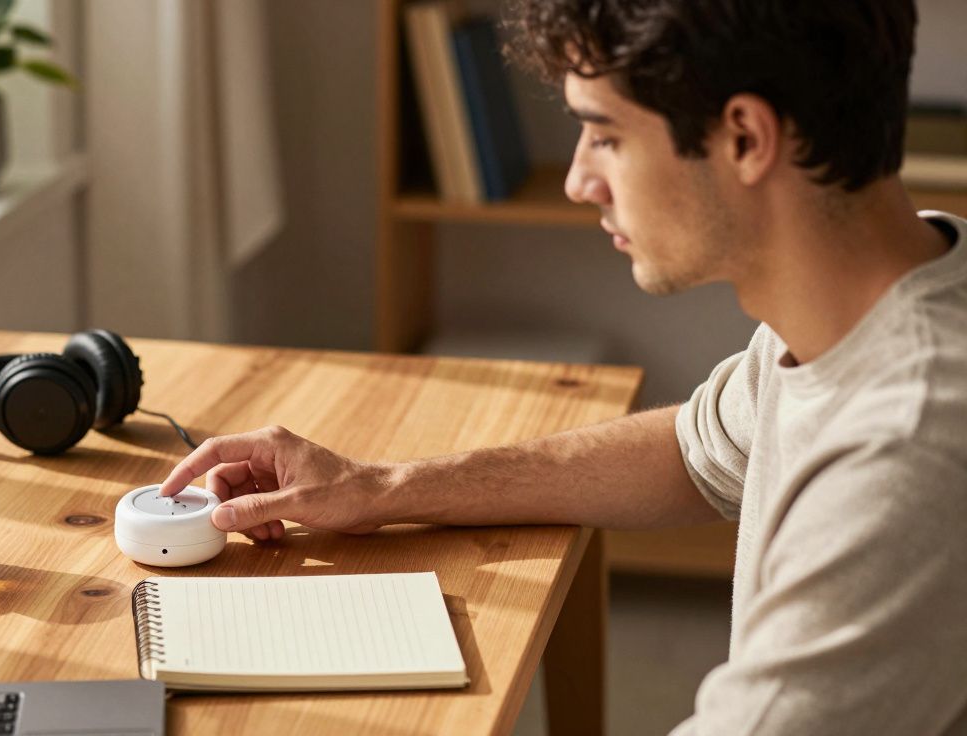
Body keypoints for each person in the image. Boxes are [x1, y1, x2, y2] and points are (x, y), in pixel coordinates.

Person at [160, 0, 967, 732]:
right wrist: (376, 488)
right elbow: (694, 453)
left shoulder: (906, 446)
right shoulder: (878, 295)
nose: (582, 180)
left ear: (745, 139)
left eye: (607, 136)